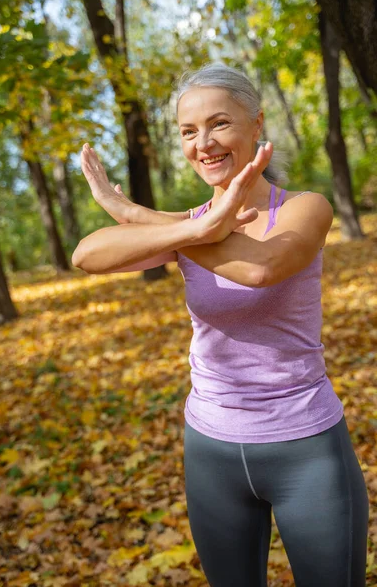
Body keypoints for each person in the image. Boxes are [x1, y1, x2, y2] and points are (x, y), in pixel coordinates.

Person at [72, 62, 369, 587]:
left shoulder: (305, 208)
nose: (203, 143)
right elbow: (87, 254)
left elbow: (261, 267)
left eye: (219, 124)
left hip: (305, 446)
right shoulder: (190, 227)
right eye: (189, 131)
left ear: (256, 125)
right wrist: (193, 224)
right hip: (210, 449)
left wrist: (148, 217)